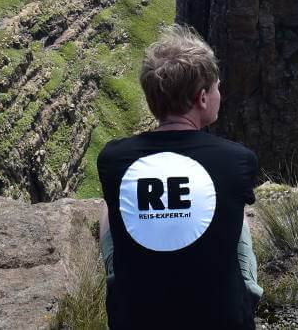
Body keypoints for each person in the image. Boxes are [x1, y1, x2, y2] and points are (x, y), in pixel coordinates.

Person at [97, 25, 261, 329]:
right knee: (235, 209)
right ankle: (249, 292)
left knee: (110, 202)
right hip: (223, 320)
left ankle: (121, 286)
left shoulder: (113, 159)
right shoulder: (237, 160)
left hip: (134, 320)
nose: (218, 94)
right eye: (216, 88)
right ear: (202, 98)